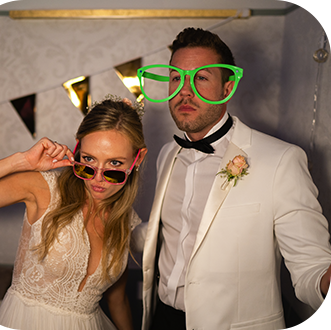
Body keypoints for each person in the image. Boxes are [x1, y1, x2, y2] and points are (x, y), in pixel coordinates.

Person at [139, 27, 331, 330]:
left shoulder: (281, 160)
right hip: (161, 319)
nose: (185, 91)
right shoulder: (167, 154)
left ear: (227, 89)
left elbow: (311, 267)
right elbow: (168, 235)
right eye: (177, 78)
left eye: (201, 78)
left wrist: (326, 281)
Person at [0, 97, 147, 330]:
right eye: (88, 160)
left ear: (137, 159)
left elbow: (117, 299)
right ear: (78, 149)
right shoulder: (45, 189)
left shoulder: (126, 219)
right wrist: (20, 161)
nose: (97, 178)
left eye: (114, 164)